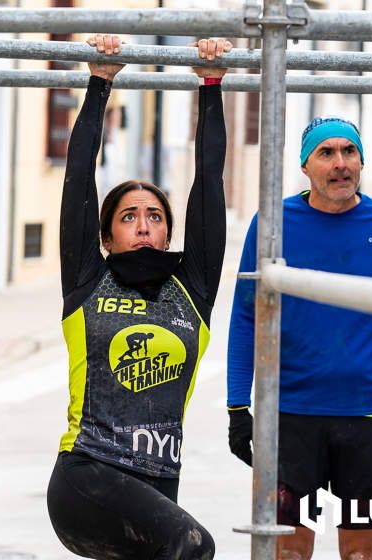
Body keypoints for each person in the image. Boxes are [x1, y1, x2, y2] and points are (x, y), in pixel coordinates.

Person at [46, 34, 231, 560]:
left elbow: (210, 183)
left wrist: (211, 85)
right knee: (194, 546)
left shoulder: (191, 289)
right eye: (128, 217)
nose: (144, 225)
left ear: (169, 233)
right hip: (88, 475)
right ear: (107, 238)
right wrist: (100, 82)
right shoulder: (87, 280)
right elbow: (78, 179)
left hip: (157, 482)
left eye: (154, 216)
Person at [226, 117, 372, 560]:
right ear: (305, 165)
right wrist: (238, 406)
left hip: (368, 416)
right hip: (291, 415)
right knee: (290, 553)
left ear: (361, 160)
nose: (340, 164)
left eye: (349, 152)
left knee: (360, 554)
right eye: (326, 153)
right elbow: (246, 317)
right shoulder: (274, 222)